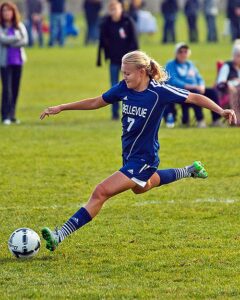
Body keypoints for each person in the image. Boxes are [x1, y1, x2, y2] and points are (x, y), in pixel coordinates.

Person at [39, 50, 236, 252]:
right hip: (130, 156)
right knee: (142, 187)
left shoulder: (159, 92)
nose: (124, 77)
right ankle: (189, 170)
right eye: (123, 73)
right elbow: (96, 102)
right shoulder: (124, 88)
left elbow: (194, 97)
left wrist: (221, 111)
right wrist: (62, 107)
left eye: (127, 73)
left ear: (142, 71)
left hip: (144, 158)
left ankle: (59, 235)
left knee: (101, 192)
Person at [97, 0, 139, 120]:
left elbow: (134, 39)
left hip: (128, 62)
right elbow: (102, 41)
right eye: (111, 9)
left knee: (131, 85)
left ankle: (132, 110)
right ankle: (115, 113)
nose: (114, 12)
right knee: (114, 86)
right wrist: (101, 57)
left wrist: (135, 57)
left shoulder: (127, 21)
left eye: (116, 9)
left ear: (121, 9)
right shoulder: (106, 23)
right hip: (114, 60)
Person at [166, 43, 222, 127]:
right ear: (176, 53)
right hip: (180, 91)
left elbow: (199, 77)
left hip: (195, 88)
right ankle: (200, 120)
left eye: (185, 52)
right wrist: (190, 86)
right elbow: (173, 80)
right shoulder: (171, 64)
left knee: (212, 92)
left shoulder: (190, 64)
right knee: (195, 92)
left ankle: (216, 119)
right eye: (180, 52)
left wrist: (202, 85)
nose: (183, 54)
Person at [0, 1, 28, 125]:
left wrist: (10, 42)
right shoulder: (1, 27)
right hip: (5, 62)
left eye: (9, 10)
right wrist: (16, 38)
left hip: (18, 61)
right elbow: (2, 39)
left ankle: (12, 115)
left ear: (13, 12)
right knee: (7, 89)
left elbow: (25, 40)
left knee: (15, 89)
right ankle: (5, 115)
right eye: (4, 11)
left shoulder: (19, 26)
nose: (7, 13)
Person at [217, 41, 240, 126]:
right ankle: (237, 120)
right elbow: (220, 83)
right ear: (233, 56)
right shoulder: (227, 66)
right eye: (238, 56)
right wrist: (229, 84)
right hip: (227, 93)